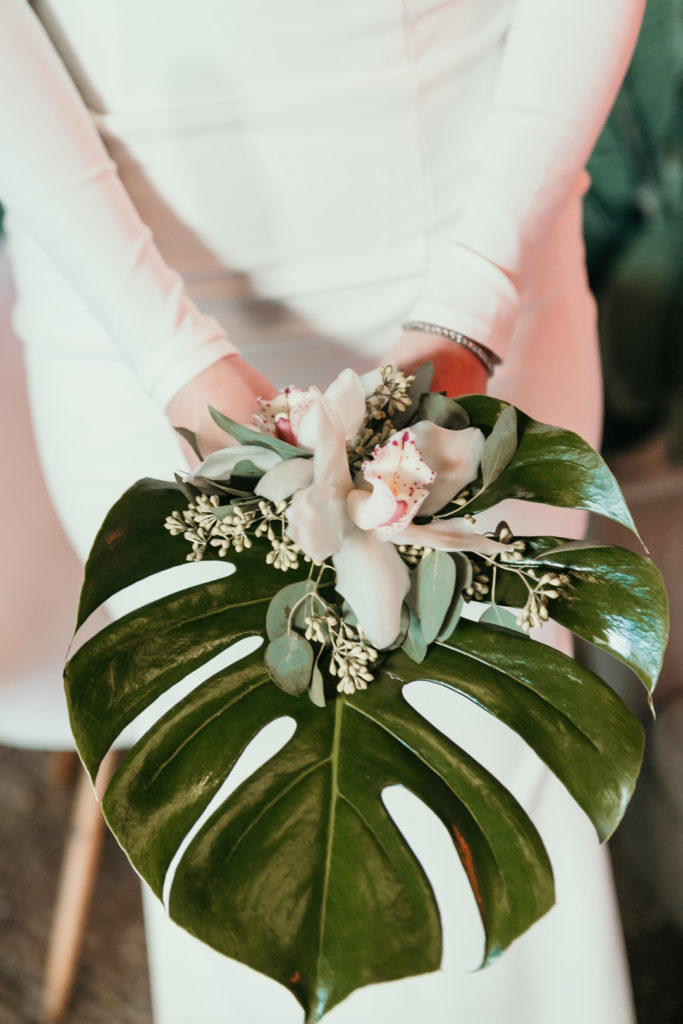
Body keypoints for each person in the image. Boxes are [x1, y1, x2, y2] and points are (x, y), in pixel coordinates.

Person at [0, 1, 645, 1021]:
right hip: (126, 296)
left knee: (477, 794)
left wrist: (468, 311)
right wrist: (177, 365)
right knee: (246, 811)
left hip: (475, 229)